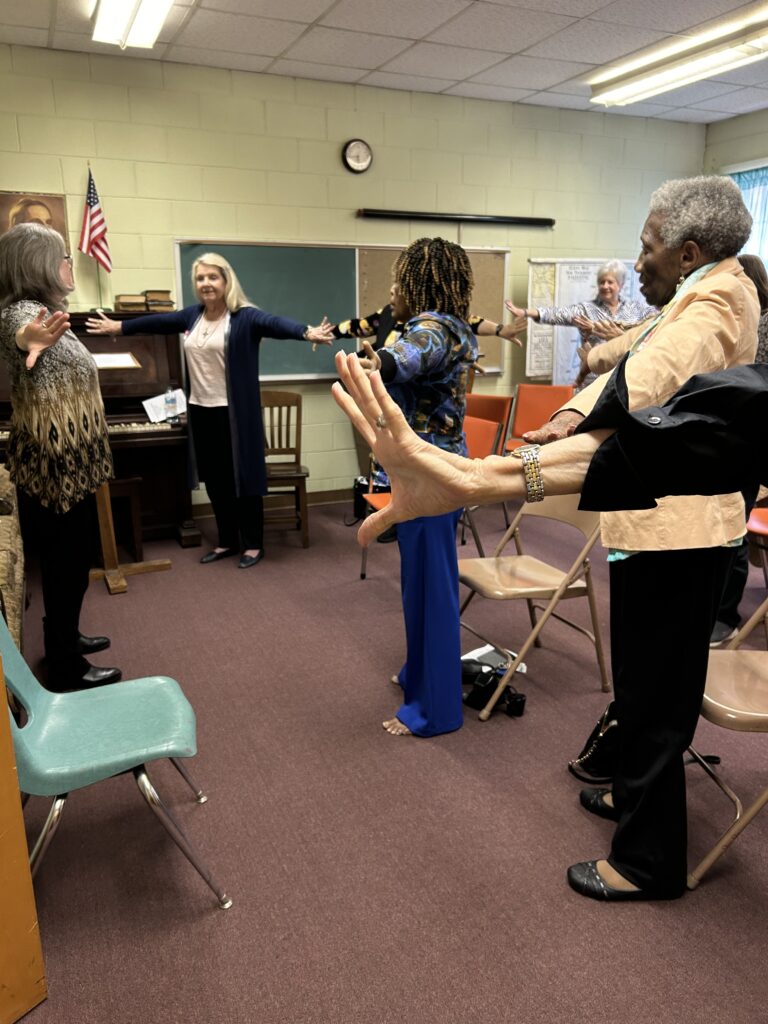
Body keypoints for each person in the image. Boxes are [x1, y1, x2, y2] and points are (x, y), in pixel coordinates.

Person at [337, 175, 759, 902]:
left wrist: (504, 467)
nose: (636, 262)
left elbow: (649, 379)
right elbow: (638, 349)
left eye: (648, 248)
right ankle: (633, 798)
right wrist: (581, 395)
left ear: (689, 251)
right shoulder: (694, 294)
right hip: (649, 521)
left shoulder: (721, 297)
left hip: (681, 534)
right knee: (639, 684)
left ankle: (648, 864)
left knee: (658, 700)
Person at [86, 253, 333, 569]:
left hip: (235, 414)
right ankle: (227, 541)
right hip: (201, 411)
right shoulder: (193, 317)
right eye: (200, 278)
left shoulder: (245, 317)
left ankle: (254, 543)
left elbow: (275, 323)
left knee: (242, 478)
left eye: (212, 277)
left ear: (226, 280)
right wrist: (120, 327)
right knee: (216, 481)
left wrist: (306, 332)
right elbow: (159, 322)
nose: (206, 284)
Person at [356, 237, 477, 737]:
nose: (391, 288)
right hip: (421, 475)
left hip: (433, 478)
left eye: (398, 279)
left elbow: (407, 357)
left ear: (419, 285)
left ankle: (436, 710)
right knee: (419, 588)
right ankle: (420, 676)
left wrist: (377, 363)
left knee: (432, 591)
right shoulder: (436, 327)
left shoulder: (435, 329)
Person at [0, 224, 120, 691]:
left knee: (69, 562)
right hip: (56, 469)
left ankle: (64, 638)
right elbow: (19, 333)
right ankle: (66, 666)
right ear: (38, 262)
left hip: (69, 465)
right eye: (64, 257)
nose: (71, 264)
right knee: (68, 562)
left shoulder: (49, 311)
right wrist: (29, 338)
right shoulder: (24, 314)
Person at [710, 253, 768, 646]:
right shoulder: (745, 322)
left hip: (752, 444)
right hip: (737, 440)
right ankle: (717, 610)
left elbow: (752, 385)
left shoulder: (762, 325)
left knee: (733, 528)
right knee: (725, 526)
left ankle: (725, 617)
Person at [506, 259, 656, 388]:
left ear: (621, 285)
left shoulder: (637, 309)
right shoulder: (586, 309)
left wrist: (595, 328)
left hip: (625, 378)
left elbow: (654, 324)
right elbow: (557, 314)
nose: (605, 286)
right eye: (601, 282)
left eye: (610, 282)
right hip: (593, 379)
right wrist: (526, 312)